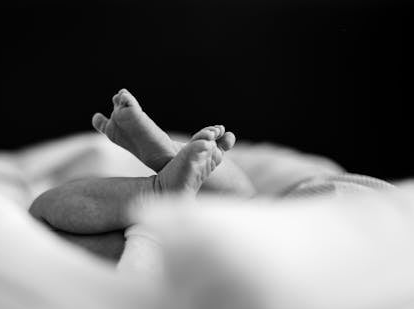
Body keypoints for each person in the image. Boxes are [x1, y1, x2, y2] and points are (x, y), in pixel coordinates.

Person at [29, 89, 394, 261]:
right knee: (249, 209)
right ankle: (164, 179)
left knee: (42, 213)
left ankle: (160, 185)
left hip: (360, 216)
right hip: (372, 234)